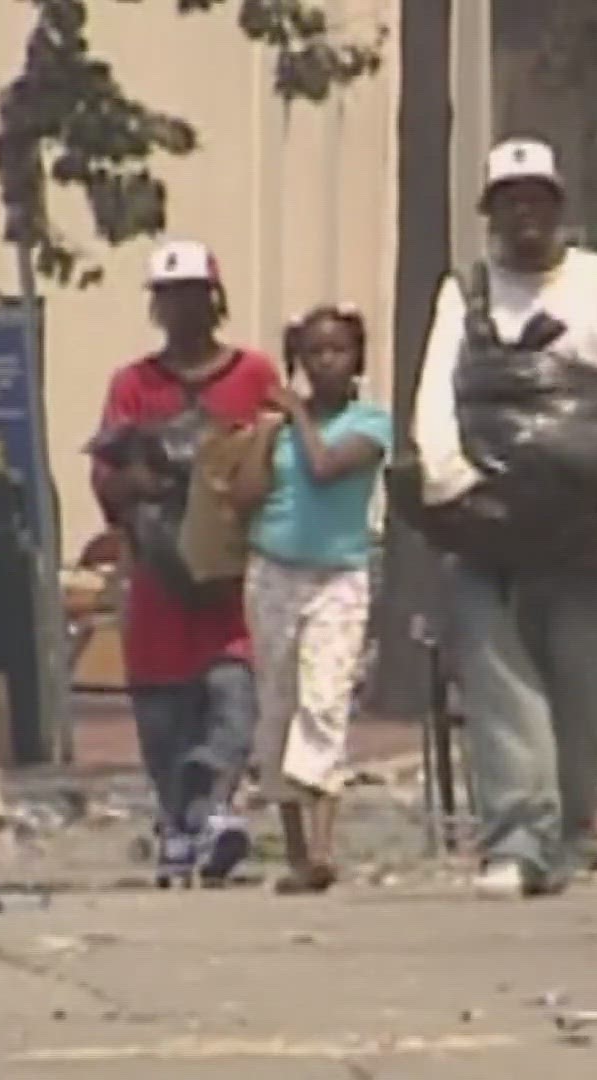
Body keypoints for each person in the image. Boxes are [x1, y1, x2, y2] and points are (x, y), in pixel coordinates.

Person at [411, 137, 597, 898]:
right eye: (509, 202)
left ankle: (568, 835)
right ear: (491, 214)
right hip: (492, 523)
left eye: (537, 199)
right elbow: (437, 396)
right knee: (500, 683)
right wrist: (452, 484)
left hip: (581, 525)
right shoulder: (467, 292)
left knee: (580, 684)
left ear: (558, 207)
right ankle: (516, 837)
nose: (525, 215)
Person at [91, 240, 280, 886]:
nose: (183, 310)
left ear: (215, 300)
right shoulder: (133, 385)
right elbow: (107, 480)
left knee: (232, 701)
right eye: (169, 298)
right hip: (158, 581)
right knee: (163, 715)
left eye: (194, 297)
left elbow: (275, 454)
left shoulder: (253, 375)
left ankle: (214, 808)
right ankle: (180, 826)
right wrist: (149, 479)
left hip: (230, 583)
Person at [244, 304, 391, 893]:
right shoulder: (278, 427)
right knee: (278, 702)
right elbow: (249, 490)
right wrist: (259, 437)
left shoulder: (370, 423)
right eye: (313, 354)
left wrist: (297, 413)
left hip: (338, 577)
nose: (326, 363)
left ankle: (325, 846)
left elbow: (328, 466)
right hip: (274, 571)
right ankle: (297, 853)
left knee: (324, 700)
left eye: (337, 351)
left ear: (356, 358)